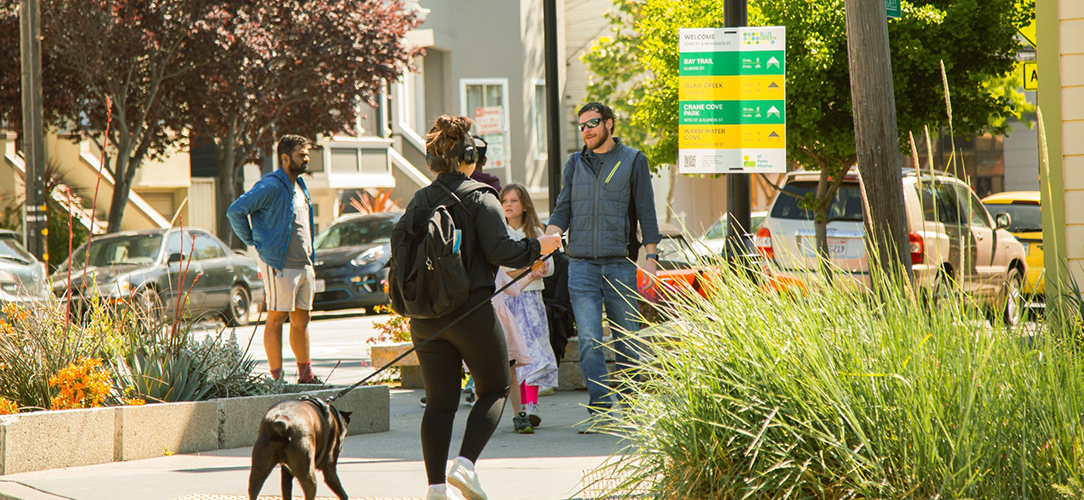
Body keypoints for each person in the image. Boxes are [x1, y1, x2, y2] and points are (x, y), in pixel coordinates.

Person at [408, 115, 562, 500]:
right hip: (471, 310)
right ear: (469, 155)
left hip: (425, 318)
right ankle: (465, 465)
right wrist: (540, 247)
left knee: (440, 402)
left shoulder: (419, 198)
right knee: (494, 387)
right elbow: (502, 251)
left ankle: (435, 489)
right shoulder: (480, 196)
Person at [545, 102, 661, 418]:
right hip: (581, 265)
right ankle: (601, 408)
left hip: (620, 264)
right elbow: (562, 209)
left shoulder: (633, 160)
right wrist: (546, 241)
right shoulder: (574, 164)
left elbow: (647, 212)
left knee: (626, 337)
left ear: (609, 123)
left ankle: (632, 405)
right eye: (581, 126)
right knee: (589, 340)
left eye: (593, 123)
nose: (586, 130)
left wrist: (651, 257)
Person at [226, 134, 321, 384]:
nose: (306, 158)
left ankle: (305, 375)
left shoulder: (300, 185)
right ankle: (277, 380)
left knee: (302, 319)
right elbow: (235, 210)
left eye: (307, 153)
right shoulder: (271, 185)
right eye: (302, 154)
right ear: (286, 157)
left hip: (304, 264)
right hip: (279, 264)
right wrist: (253, 241)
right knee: (277, 317)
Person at [499, 183, 558, 432]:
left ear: (524, 205)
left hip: (532, 299)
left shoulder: (535, 230)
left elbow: (548, 266)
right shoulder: (498, 234)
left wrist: (538, 268)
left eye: (514, 200)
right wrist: (529, 269)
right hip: (508, 300)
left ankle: (531, 405)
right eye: (504, 201)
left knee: (534, 350)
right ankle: (519, 407)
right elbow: (502, 270)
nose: (508, 205)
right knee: (515, 353)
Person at [492, 267, 535, 434]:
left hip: (501, 324)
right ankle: (480, 418)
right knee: (483, 374)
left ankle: (518, 414)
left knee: (510, 371)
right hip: (482, 322)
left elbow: (514, 289)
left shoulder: (498, 271)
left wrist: (532, 274)